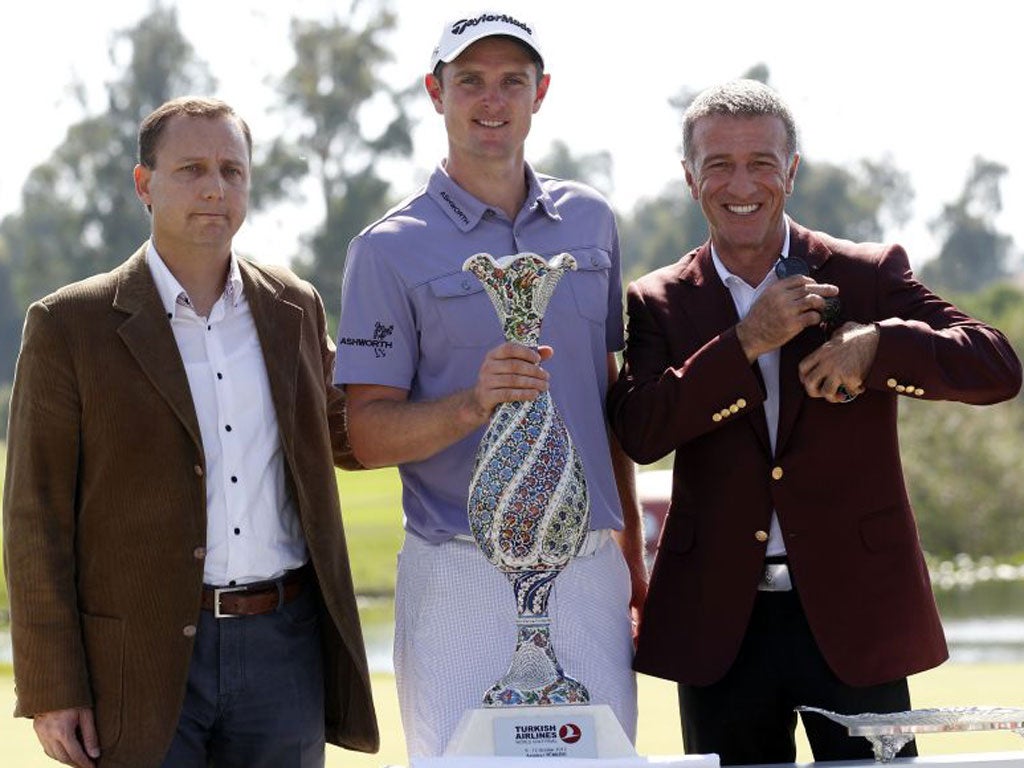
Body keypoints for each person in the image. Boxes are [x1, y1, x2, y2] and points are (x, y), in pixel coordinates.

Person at [607, 78, 1022, 766]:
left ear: (791, 171)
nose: (742, 183)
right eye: (719, 165)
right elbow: (641, 433)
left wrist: (881, 344)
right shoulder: (658, 302)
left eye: (762, 163)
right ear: (690, 179)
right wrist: (744, 341)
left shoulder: (866, 274)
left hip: (859, 616)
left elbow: (997, 366)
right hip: (719, 628)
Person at [2, 96, 378, 768]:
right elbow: (35, 519)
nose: (215, 187)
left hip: (283, 651)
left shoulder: (293, 306)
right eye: (192, 168)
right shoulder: (68, 326)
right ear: (144, 184)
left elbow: (349, 435)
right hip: (136, 658)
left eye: (233, 170)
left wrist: (468, 397)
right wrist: (53, 686)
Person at [334, 11, 647, 758]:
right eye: (469, 81)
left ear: (541, 93)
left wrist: (631, 556)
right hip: (457, 576)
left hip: (588, 570)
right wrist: (473, 404)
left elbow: (607, 404)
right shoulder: (386, 249)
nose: (491, 100)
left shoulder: (593, 221)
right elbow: (367, 433)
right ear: (434, 93)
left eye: (513, 81)